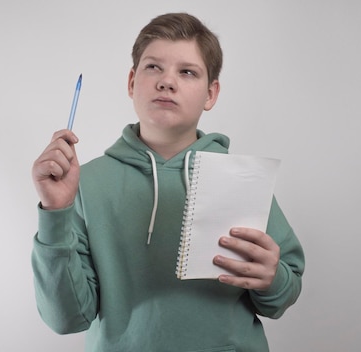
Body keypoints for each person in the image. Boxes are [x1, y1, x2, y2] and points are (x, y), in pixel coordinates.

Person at [31, 12, 305, 352]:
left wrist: (272, 278)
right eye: (153, 67)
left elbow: (281, 297)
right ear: (132, 82)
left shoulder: (242, 180)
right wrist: (56, 212)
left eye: (187, 72)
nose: (167, 82)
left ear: (211, 93)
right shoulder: (84, 183)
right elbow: (66, 319)